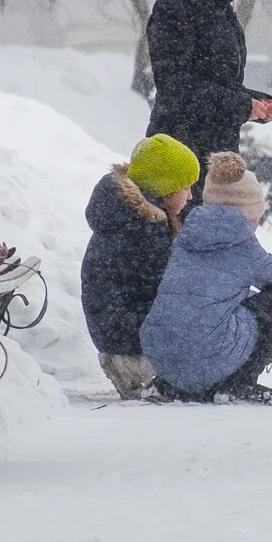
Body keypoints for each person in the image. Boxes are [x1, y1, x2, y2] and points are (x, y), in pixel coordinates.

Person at [141, 152, 272, 405]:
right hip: (206, 351)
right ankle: (239, 385)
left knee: (189, 317)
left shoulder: (186, 237)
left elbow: (212, 296)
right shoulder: (243, 245)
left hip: (161, 351)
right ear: (250, 214)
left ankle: (169, 385)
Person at [145, 0, 272, 175]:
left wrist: (253, 102)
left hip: (215, 153)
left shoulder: (221, 11)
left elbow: (217, 81)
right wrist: (240, 106)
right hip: (180, 154)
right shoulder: (175, 9)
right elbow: (177, 87)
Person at [80, 134, 199, 400]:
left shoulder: (126, 217)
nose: (191, 196)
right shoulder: (146, 229)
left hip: (117, 336)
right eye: (186, 186)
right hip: (133, 343)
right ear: (166, 188)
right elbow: (171, 289)